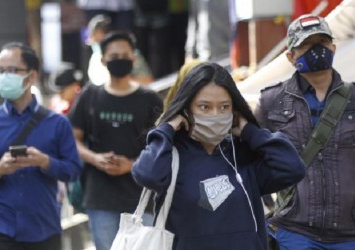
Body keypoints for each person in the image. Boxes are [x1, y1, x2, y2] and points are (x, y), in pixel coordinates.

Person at [132, 62, 305, 250]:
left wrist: (251, 132)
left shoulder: (244, 155)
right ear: (187, 109)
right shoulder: (171, 156)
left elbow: (293, 168)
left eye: (224, 107)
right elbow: (146, 174)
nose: (216, 115)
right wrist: (167, 129)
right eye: (204, 107)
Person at [254, 14, 355, 249]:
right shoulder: (271, 101)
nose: (317, 50)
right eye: (307, 45)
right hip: (294, 231)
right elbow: (251, 159)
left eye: (322, 42)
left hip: (349, 234)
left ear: (333, 47)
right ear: (290, 56)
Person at [0, 42, 82, 250]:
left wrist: (46, 162)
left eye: (12, 70)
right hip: (0, 226)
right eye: (0, 71)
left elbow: (74, 170)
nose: (4, 76)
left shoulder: (57, 123)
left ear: (31, 76)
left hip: (44, 226)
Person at [69, 31, 163, 250]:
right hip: (101, 198)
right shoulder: (89, 95)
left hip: (143, 198)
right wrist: (95, 158)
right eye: (114, 55)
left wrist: (132, 165)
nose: (119, 59)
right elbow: (73, 139)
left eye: (125, 54)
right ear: (103, 60)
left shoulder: (150, 100)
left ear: (134, 59)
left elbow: (162, 147)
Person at [86, 14, 154, 85]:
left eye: (100, 42)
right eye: (95, 42)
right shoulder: (95, 57)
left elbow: (148, 81)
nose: (98, 46)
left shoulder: (130, 55)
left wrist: (122, 79)